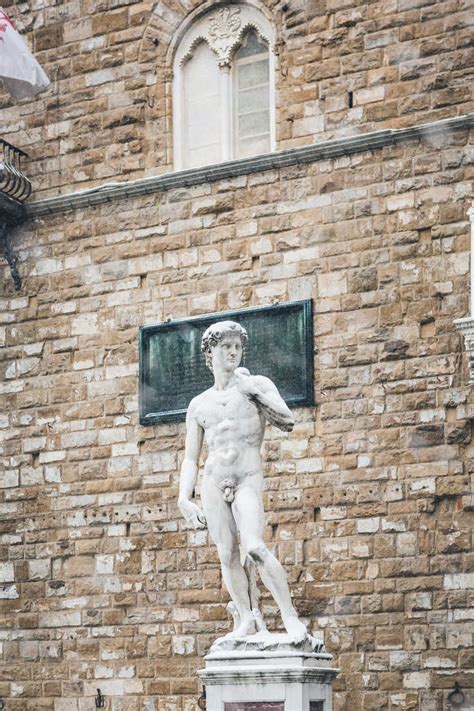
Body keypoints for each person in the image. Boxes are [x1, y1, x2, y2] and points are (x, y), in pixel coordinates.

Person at [178, 320, 307, 643]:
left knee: (255, 546)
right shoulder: (199, 404)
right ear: (211, 353)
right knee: (227, 555)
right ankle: (246, 619)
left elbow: (288, 420)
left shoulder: (257, 385)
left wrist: (255, 394)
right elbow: (191, 457)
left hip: (247, 477)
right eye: (226, 347)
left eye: (237, 346)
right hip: (213, 481)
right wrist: (184, 497)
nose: (233, 352)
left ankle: (289, 617)